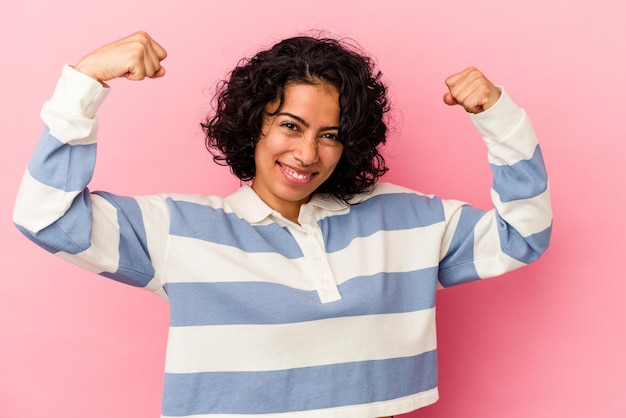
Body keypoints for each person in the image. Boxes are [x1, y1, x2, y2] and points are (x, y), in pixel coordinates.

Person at [13, 31, 552, 418]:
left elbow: (522, 235)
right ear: (253, 125)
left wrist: (500, 120)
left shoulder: (404, 219)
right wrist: (84, 82)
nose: (307, 152)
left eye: (330, 134)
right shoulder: (178, 229)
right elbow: (46, 216)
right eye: (290, 125)